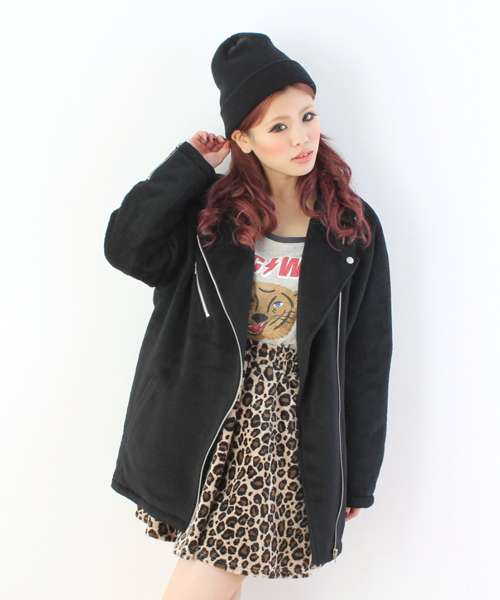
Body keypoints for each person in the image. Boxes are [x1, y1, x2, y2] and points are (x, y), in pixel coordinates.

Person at [104, 32, 393, 600]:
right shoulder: (208, 213)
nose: (301, 138)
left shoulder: (350, 225)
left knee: (220, 565)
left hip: (291, 422)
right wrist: (189, 165)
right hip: (206, 414)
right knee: (217, 565)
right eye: (278, 127)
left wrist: (358, 475)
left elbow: (367, 355)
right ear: (244, 138)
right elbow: (126, 247)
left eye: (307, 116)